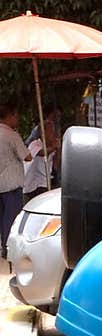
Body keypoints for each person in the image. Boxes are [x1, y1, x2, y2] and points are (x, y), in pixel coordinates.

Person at [0, 104, 32, 260]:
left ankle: (3, 246)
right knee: (11, 218)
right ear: (10, 116)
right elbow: (27, 156)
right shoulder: (11, 135)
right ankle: (8, 249)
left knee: (2, 218)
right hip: (12, 183)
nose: (18, 119)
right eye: (16, 115)